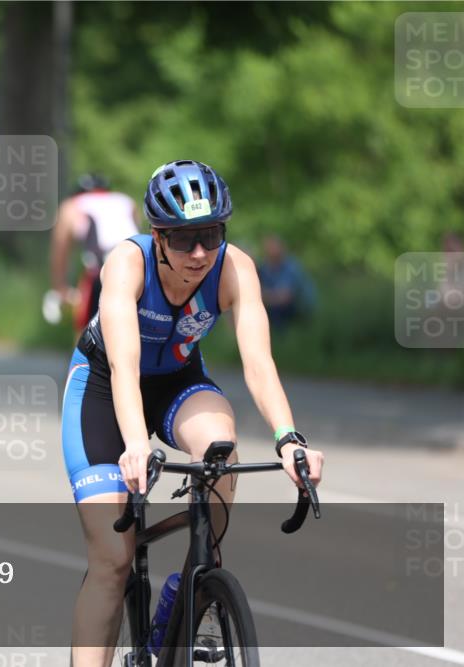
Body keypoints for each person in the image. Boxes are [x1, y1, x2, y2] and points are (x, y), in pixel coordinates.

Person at [61, 160, 324, 666]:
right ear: (158, 236)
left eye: (211, 235)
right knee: (113, 562)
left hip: (178, 382)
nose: (200, 252)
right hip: (102, 387)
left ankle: (194, 593)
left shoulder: (234, 268)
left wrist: (289, 438)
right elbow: (123, 366)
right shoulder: (127, 263)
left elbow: (258, 362)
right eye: (184, 240)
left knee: (220, 451)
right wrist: (136, 445)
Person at [46, 174, 141, 330]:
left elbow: (60, 252)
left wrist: (60, 288)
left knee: (86, 331)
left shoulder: (72, 205)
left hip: (103, 270)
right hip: (138, 266)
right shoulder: (126, 201)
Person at [257, 234, 316, 329]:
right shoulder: (265, 268)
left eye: (273, 247)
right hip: (278, 305)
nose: (271, 251)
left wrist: (265, 297)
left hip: (300, 307)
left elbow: (285, 298)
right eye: (268, 248)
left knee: (276, 311)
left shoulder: (292, 267)